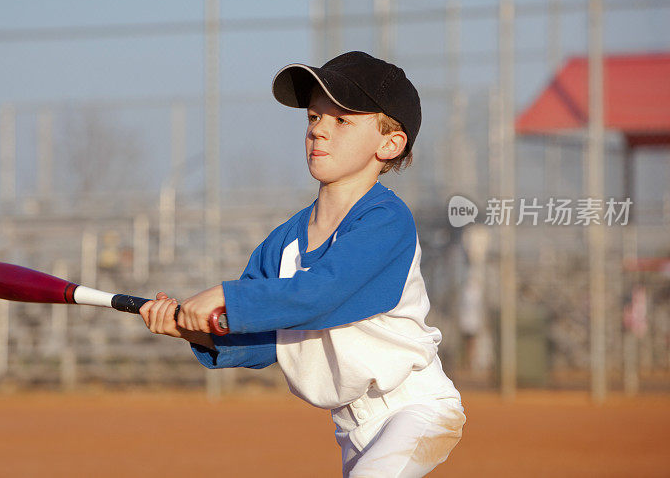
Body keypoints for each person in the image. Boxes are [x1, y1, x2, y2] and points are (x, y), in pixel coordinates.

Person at [139, 51, 465, 477]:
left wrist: (226, 296)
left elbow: (320, 295)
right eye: (314, 117)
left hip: (413, 407)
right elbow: (270, 338)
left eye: (342, 121)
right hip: (352, 427)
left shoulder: (385, 221)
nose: (318, 131)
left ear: (390, 143)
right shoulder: (282, 244)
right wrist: (198, 332)